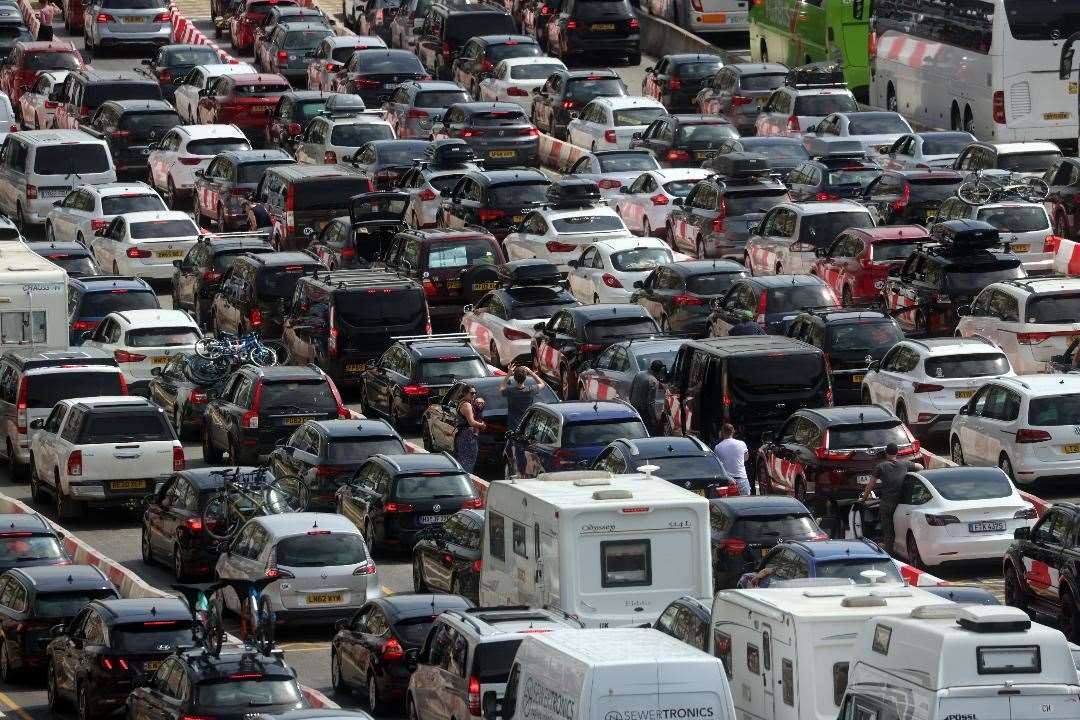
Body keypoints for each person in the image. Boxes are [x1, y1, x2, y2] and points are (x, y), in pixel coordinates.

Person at [860, 443, 922, 556]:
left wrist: (863, 499)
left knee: (888, 531)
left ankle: (889, 553)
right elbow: (920, 467)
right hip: (902, 504)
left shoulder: (881, 466)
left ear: (886, 453)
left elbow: (870, 485)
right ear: (897, 452)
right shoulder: (904, 464)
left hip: (887, 504)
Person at [500, 363, 544, 433]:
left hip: (513, 427)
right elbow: (542, 383)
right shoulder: (530, 390)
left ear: (514, 378)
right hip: (526, 426)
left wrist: (508, 374)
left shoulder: (510, 391)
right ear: (525, 377)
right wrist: (531, 372)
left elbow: (502, 388)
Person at [628, 359, 666, 434]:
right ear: (659, 370)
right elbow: (651, 403)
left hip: (634, 408)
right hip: (644, 412)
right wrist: (654, 418)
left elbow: (631, 391)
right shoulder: (653, 381)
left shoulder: (639, 374)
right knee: (648, 432)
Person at [455, 387, 487, 473]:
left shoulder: (464, 403)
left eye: (475, 393)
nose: (474, 395)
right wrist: (481, 425)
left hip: (464, 435)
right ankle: (467, 479)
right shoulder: (466, 405)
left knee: (464, 459)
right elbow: (471, 422)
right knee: (468, 460)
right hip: (468, 435)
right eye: (472, 393)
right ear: (465, 393)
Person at [714, 423, 751, 496]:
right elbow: (746, 458)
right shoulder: (741, 443)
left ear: (722, 432)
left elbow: (717, 464)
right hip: (741, 478)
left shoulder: (717, 447)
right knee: (745, 503)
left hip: (726, 480)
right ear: (733, 431)